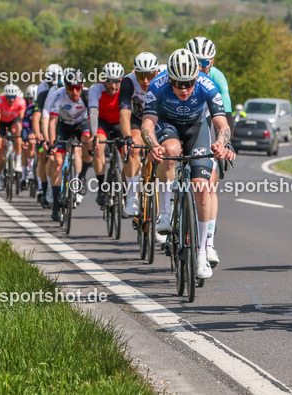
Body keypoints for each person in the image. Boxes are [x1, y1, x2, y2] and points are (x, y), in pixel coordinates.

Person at [141, 49, 234, 280]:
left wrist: (222, 144)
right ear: (169, 78)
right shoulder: (157, 85)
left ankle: (202, 253)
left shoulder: (207, 86)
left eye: (189, 83)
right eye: (178, 83)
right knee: (170, 151)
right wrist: (153, 146)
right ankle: (164, 212)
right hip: (168, 125)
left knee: (202, 188)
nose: (184, 89)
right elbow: (147, 124)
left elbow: (222, 125)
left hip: (196, 127)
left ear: (196, 78)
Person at [186, 35, 231, 266]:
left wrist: (225, 144)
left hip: (209, 127)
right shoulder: (180, 75)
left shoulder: (216, 78)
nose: (200, 67)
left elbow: (225, 117)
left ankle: (209, 243)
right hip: (184, 127)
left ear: (211, 62)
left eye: (204, 63)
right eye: (195, 62)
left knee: (210, 182)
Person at [43, 68, 92, 221]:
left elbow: (92, 118)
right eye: (71, 88)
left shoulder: (87, 94)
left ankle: (81, 177)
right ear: (66, 87)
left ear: (82, 85)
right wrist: (52, 145)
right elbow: (52, 122)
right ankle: (56, 206)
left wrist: (92, 138)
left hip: (80, 124)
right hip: (62, 126)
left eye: (78, 87)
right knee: (58, 162)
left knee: (86, 144)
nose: (75, 91)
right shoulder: (59, 95)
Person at [118, 52, 160, 217]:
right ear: (135, 72)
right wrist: (127, 136)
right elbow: (124, 113)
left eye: (149, 75)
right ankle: (132, 197)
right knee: (133, 147)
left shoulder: (164, 80)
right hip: (137, 120)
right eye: (141, 75)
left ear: (156, 72)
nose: (145, 81)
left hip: (159, 121)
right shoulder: (128, 81)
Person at [88, 61, 124, 206]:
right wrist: (93, 135)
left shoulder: (125, 89)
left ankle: (126, 189)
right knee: (98, 146)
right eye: (109, 81)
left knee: (128, 151)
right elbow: (93, 112)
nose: (113, 86)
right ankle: (102, 187)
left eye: (116, 82)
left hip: (120, 123)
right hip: (102, 122)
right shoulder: (95, 89)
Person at [33, 64, 62, 205]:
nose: (53, 86)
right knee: (43, 155)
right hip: (45, 122)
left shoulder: (64, 89)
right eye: (50, 83)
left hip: (59, 122)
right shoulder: (42, 90)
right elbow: (38, 115)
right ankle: (44, 189)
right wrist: (38, 133)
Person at [0, 83, 26, 190]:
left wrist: (23, 133)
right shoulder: (0, 100)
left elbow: (21, 119)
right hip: (2, 122)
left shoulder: (21, 101)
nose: (11, 99)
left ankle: (18, 161)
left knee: (17, 133)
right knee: (0, 147)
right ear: (5, 96)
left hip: (13, 121)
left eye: (13, 97)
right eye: (9, 97)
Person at [21, 84, 39, 188]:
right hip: (29, 131)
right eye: (30, 99)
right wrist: (25, 138)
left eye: (34, 99)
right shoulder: (28, 109)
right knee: (27, 147)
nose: (32, 101)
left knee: (41, 151)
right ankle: (27, 172)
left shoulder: (43, 108)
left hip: (40, 133)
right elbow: (25, 126)